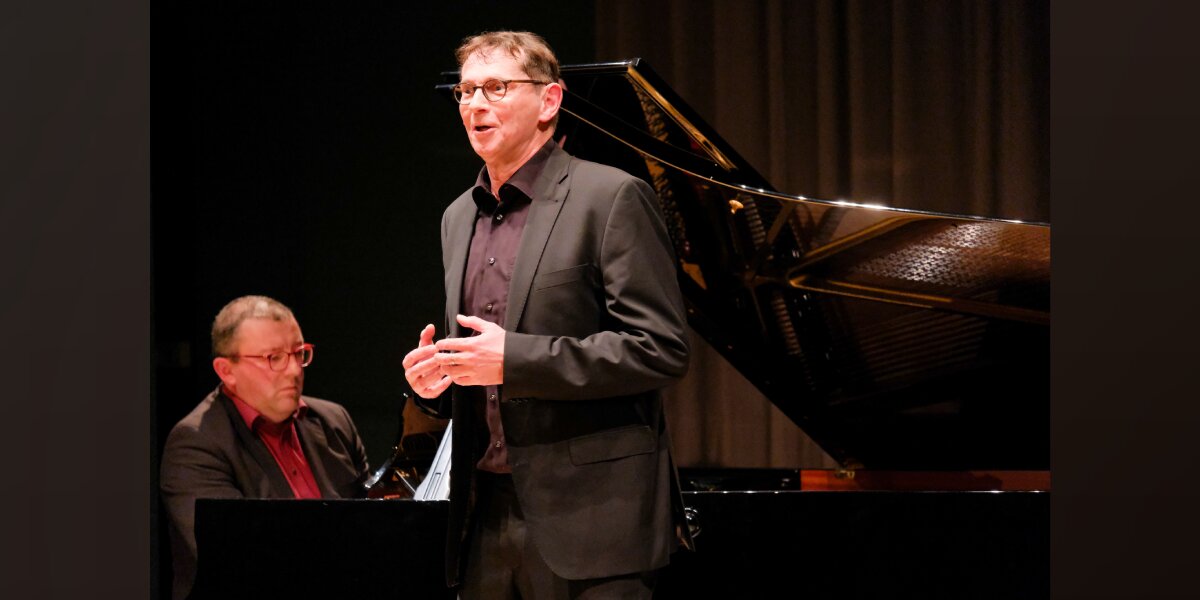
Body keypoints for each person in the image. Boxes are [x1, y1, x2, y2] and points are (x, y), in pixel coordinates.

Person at [402, 31, 693, 600]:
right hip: (482, 516)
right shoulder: (457, 216)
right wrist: (435, 382)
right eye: (465, 91)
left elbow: (660, 348)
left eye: (496, 87)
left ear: (550, 101)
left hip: (592, 520)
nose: (475, 104)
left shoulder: (610, 197)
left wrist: (516, 358)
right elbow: (479, 367)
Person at [160, 295, 370, 600]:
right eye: (274, 358)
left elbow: (373, 525)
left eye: (299, 353)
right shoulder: (196, 443)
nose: (294, 370)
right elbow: (237, 561)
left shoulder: (334, 420)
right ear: (226, 370)